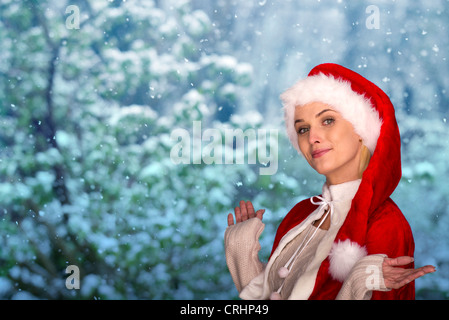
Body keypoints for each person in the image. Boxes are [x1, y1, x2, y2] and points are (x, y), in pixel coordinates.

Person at [224, 63, 436, 300]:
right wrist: (241, 251)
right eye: (303, 129)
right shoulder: (302, 213)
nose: (312, 138)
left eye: (327, 121)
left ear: (361, 130)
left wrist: (359, 280)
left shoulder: (385, 222)